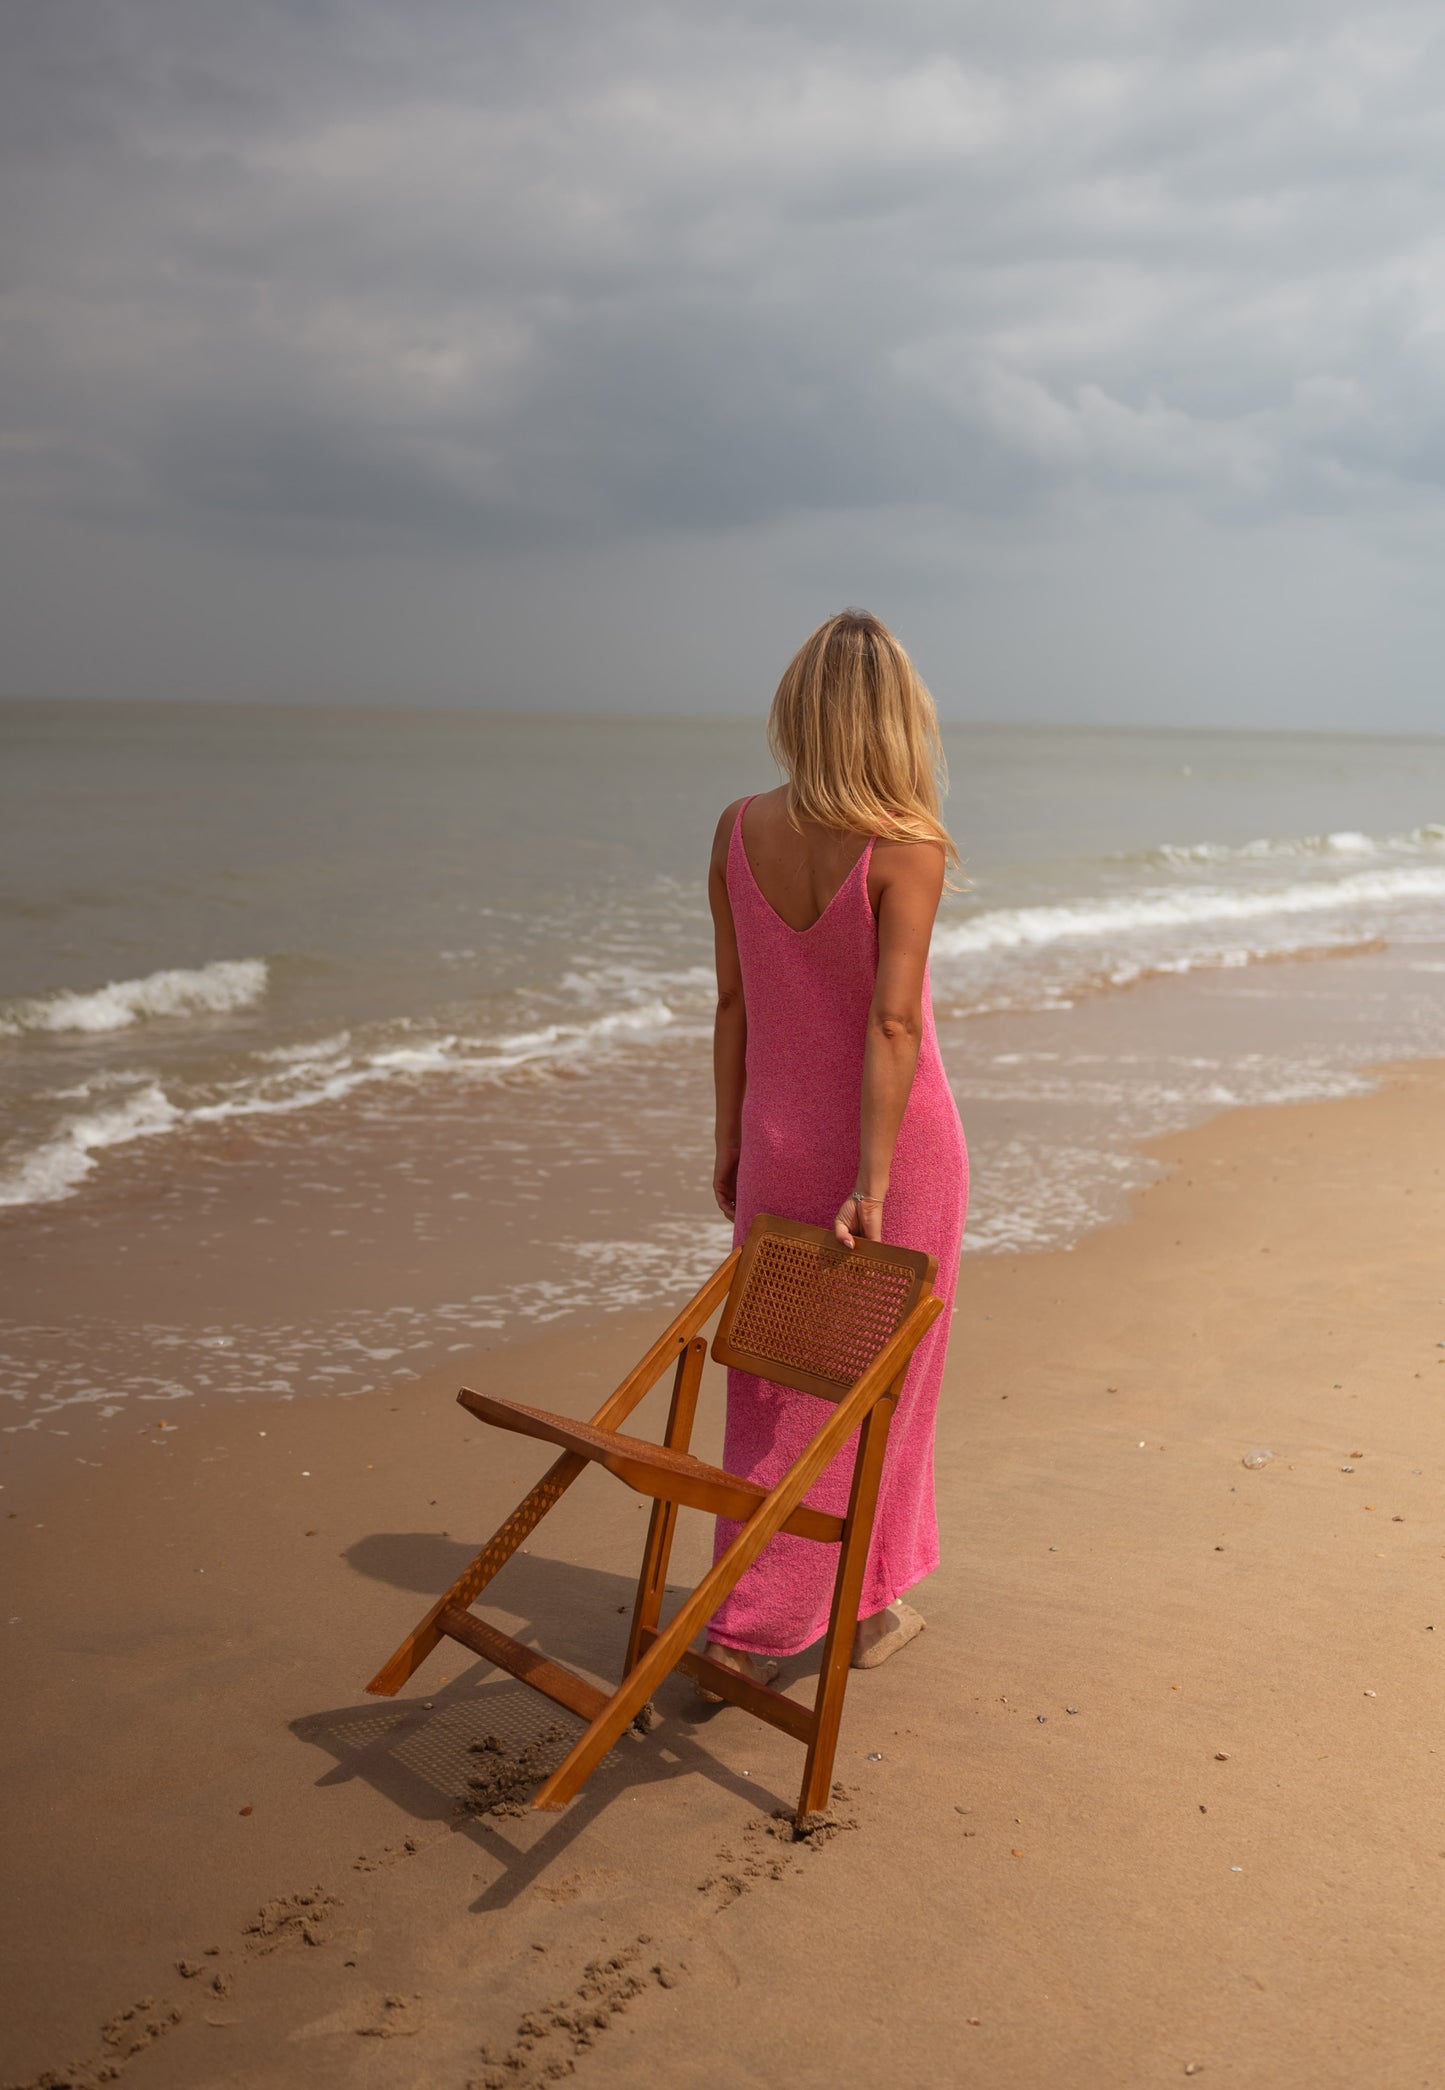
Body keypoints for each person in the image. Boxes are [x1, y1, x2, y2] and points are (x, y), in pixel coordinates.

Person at [703, 608, 969, 1685]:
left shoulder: (733, 828)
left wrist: (729, 1141)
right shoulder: (906, 844)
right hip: (891, 1156)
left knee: (772, 1391)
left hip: (774, 1141)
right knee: (882, 1388)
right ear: (898, 717)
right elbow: (892, 1023)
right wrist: (871, 1181)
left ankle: (830, 1601)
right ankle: (770, 1624)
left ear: (797, 708)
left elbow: (732, 1005)